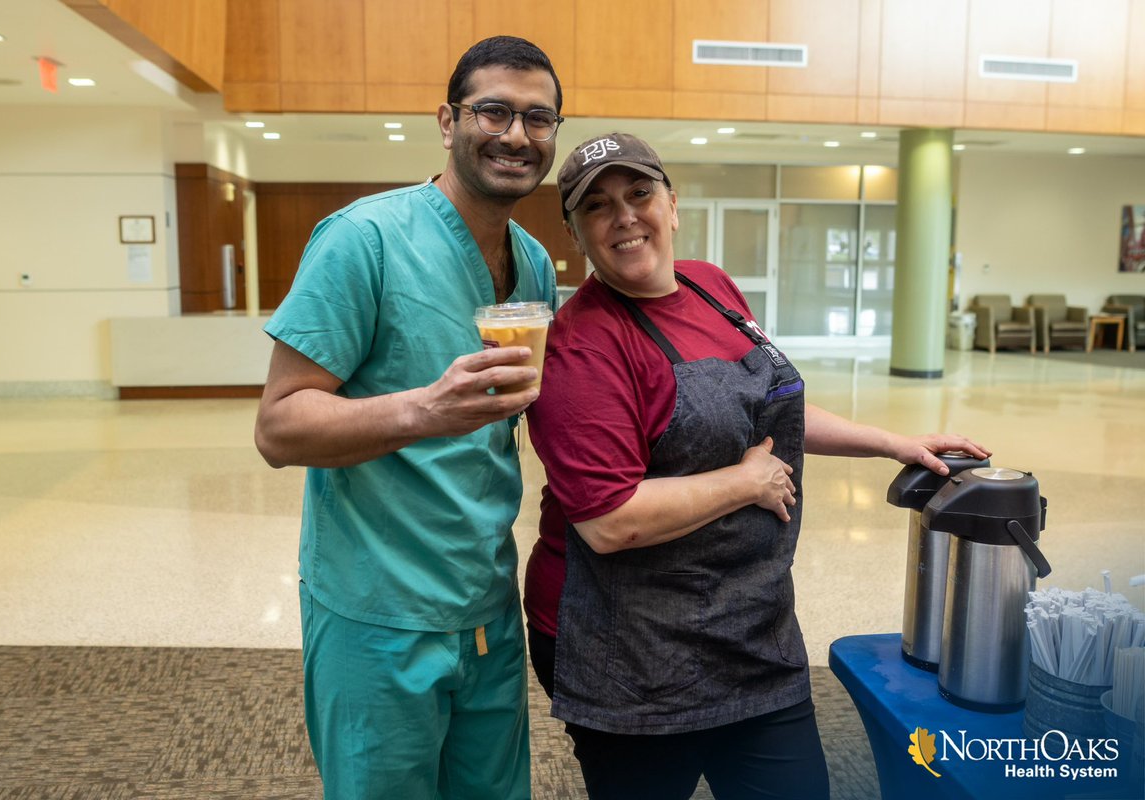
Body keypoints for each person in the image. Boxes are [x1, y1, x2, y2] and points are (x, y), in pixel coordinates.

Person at [524, 132, 992, 800]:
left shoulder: (710, 287)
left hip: (748, 627)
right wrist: (745, 481)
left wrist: (891, 442)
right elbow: (608, 521)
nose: (624, 215)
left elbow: (768, 408)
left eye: (638, 193)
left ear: (673, 205)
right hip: (630, 649)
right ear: (577, 235)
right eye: (597, 206)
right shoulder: (583, 348)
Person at [253, 36, 563, 800]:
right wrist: (425, 409)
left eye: (539, 118)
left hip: (485, 604)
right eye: (493, 111)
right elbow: (279, 428)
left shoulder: (535, 264)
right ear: (447, 120)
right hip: (377, 613)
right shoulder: (364, 241)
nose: (516, 135)